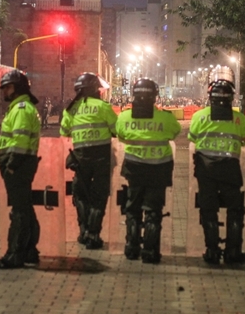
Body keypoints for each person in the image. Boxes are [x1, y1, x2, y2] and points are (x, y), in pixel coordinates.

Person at [116, 78, 181, 264]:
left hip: (134, 169)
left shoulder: (124, 117)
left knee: (133, 208)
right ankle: (151, 252)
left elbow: (120, 135)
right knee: (153, 210)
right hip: (159, 169)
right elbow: (175, 132)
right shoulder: (166, 118)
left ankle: (131, 248)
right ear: (155, 96)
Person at [188, 79, 245, 264]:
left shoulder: (199, 116)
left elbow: (192, 137)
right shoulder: (239, 118)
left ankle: (212, 250)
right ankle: (233, 251)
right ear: (231, 98)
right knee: (235, 209)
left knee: (208, 209)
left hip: (205, 170)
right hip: (230, 170)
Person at [0, 69, 42, 269]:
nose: (4, 91)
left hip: (18, 166)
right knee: (25, 209)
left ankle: (15, 255)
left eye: (7, 87)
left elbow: (20, 141)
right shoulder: (20, 108)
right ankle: (29, 251)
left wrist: (11, 166)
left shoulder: (20, 109)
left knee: (19, 212)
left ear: (17, 88)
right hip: (21, 165)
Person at [61, 72, 117, 250]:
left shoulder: (71, 109)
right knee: (99, 196)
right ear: (94, 89)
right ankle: (94, 235)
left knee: (81, 195)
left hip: (80, 157)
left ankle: (83, 231)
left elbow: (64, 132)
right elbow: (116, 130)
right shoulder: (103, 107)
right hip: (101, 157)